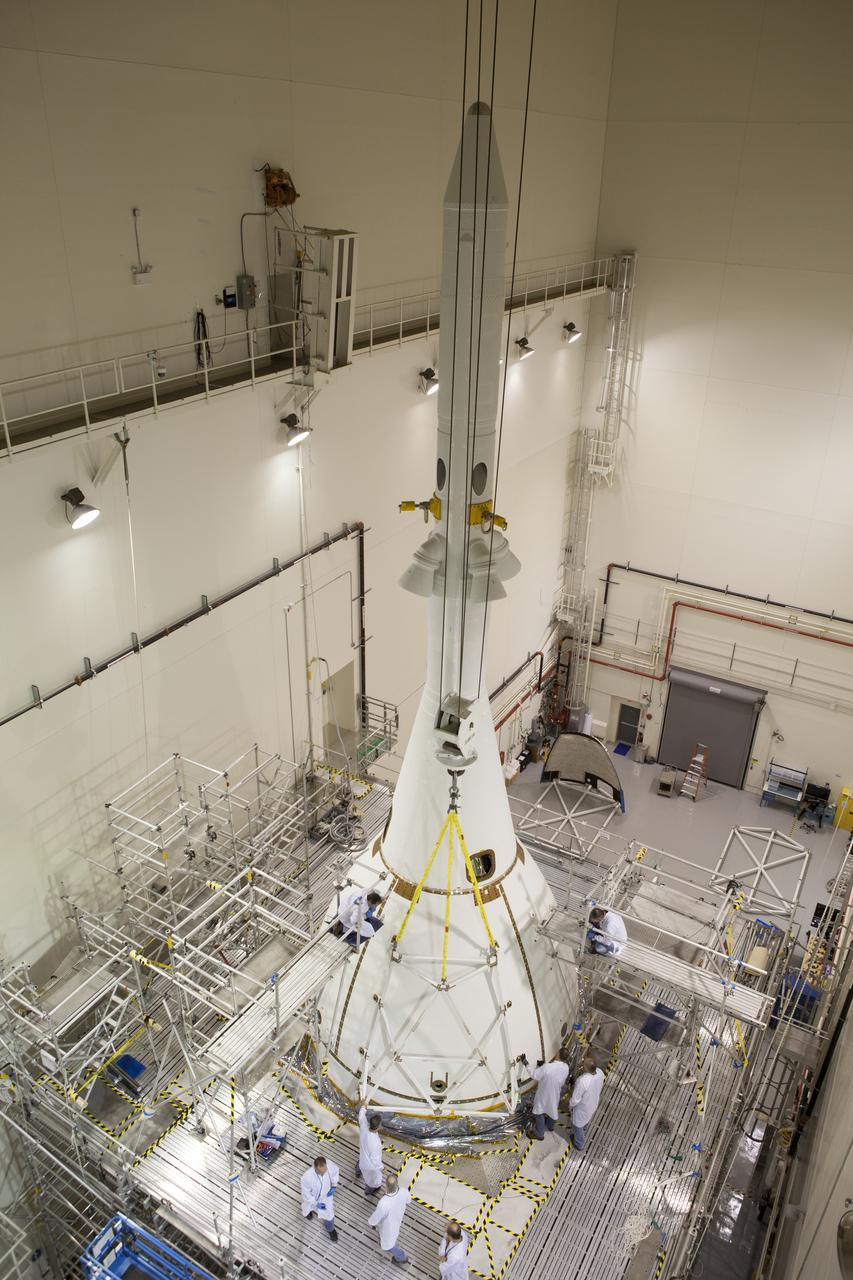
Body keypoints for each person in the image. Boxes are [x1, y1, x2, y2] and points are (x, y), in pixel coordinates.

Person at [368, 1172, 411, 1265]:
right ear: (397, 1184)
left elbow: (375, 1218)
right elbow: (408, 1201)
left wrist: (371, 1222)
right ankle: (400, 1256)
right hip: (397, 1220)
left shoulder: (384, 1203)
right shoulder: (404, 1191)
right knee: (391, 1240)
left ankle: (401, 1257)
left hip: (388, 1228)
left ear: (386, 1185)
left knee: (390, 1245)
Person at [528, 1047, 570, 1140]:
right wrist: (542, 1066)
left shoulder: (547, 1067)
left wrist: (526, 1064)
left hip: (544, 1094)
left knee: (539, 1112)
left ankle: (539, 1134)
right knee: (552, 1109)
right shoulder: (566, 1068)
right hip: (555, 1093)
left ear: (558, 1054)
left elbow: (534, 1075)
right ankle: (550, 1126)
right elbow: (555, 1075)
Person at [300, 1155, 340, 1242]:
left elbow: (335, 1172)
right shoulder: (307, 1177)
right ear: (315, 1168)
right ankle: (308, 1213)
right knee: (307, 1207)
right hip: (312, 1198)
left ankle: (330, 1229)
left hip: (326, 1197)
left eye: (324, 1171)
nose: (323, 1174)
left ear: (326, 1165)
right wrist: (315, 1203)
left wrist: (334, 1185)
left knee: (329, 1215)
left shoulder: (330, 1166)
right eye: (320, 1172)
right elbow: (305, 1193)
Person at [569, 1053, 605, 1150]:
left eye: (583, 1063)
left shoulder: (583, 1081)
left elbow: (575, 1099)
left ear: (585, 1068)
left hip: (582, 1109)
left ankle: (579, 1143)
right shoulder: (600, 1072)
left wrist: (570, 1106)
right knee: (585, 1121)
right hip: (593, 1103)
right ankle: (584, 1130)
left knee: (577, 1125)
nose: (582, 1063)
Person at [356, 1104, 383, 1196]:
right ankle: (368, 1191)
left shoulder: (364, 1127)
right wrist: (382, 1168)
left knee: (360, 1165)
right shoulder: (375, 1143)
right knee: (372, 1181)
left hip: (362, 1159)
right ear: (379, 1127)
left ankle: (357, 1172)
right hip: (369, 1166)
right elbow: (375, 1160)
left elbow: (361, 1117)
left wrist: (363, 1107)